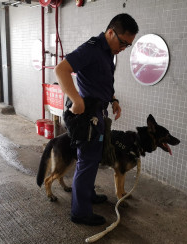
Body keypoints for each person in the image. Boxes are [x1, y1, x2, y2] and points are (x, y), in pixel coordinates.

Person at [54, 13, 139, 226]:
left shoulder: (107, 51)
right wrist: (76, 100)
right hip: (87, 116)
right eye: (123, 43)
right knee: (86, 161)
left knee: (93, 160)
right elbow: (61, 69)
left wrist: (114, 99)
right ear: (110, 32)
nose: (123, 48)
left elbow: (102, 81)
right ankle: (80, 212)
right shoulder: (92, 48)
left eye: (127, 45)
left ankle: (88, 194)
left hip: (99, 113)